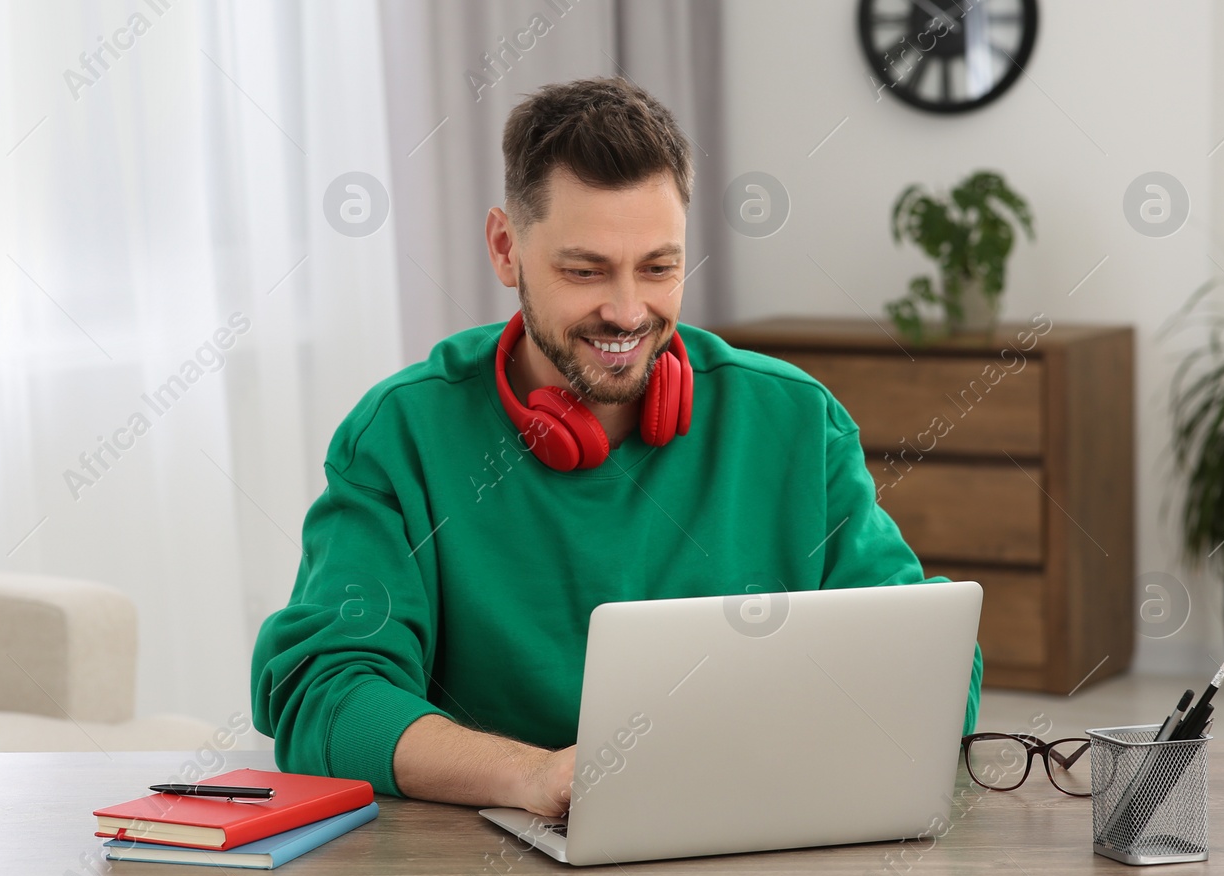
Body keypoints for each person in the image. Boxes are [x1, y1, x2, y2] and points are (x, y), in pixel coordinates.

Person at [251, 75, 982, 818]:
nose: (628, 310)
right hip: (488, 865)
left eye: (659, 267)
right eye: (585, 270)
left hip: (751, 841)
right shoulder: (400, 434)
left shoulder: (797, 420)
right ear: (507, 249)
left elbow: (924, 661)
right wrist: (533, 777)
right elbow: (325, 693)